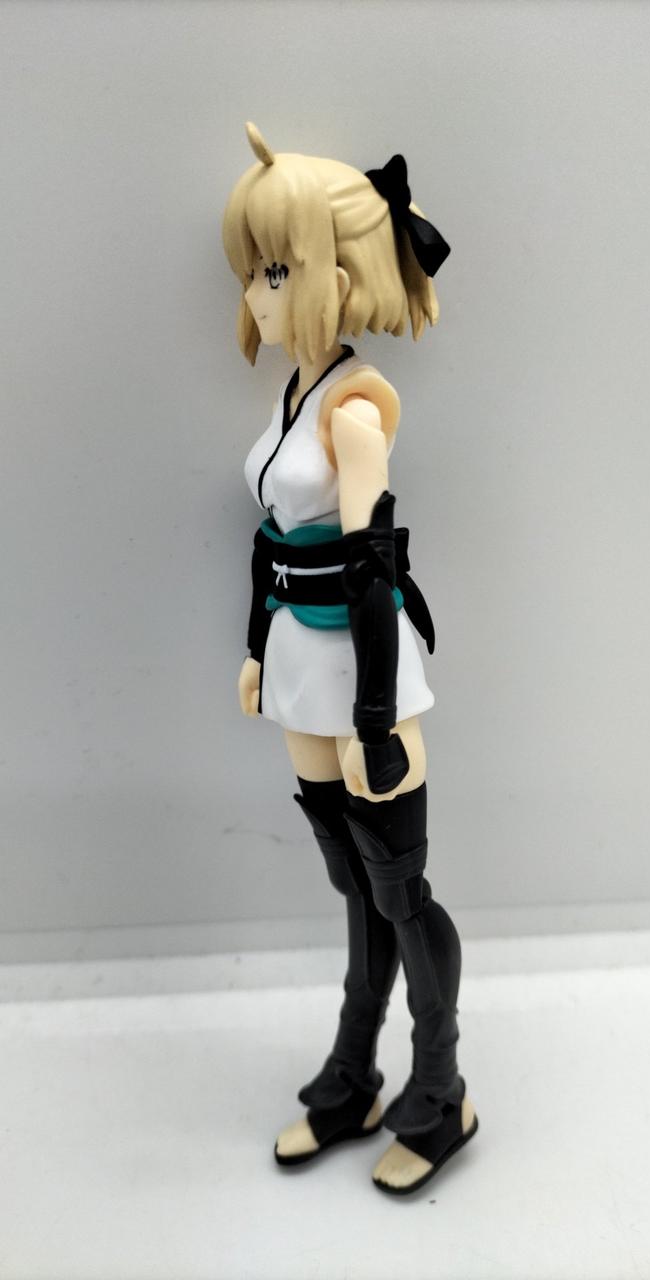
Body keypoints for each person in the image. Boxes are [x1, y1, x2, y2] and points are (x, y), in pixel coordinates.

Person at [222, 122, 477, 1195]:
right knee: (352, 885)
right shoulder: (292, 394)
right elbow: (270, 542)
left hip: (363, 676)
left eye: (275, 271)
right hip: (298, 666)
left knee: (399, 890)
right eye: (253, 271)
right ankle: (354, 1073)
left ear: (333, 273)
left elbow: (373, 565)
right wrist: (256, 646)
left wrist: (376, 718)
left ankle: (441, 1085)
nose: (257, 293)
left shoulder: (355, 409)